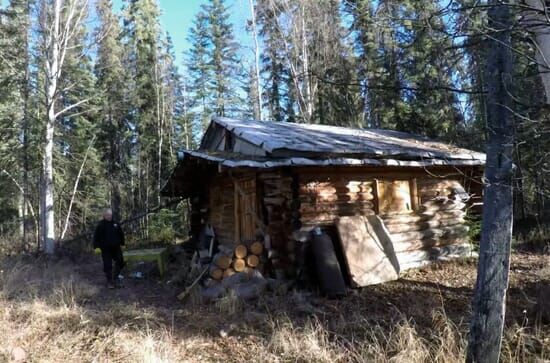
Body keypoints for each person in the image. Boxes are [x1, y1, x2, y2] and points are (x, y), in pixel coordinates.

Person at [93, 208, 125, 288]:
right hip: (105, 249)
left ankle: (116, 277)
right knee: (108, 265)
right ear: (104, 215)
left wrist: (123, 243)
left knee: (120, 261)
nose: (109, 216)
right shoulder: (100, 225)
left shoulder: (116, 224)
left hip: (116, 247)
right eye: (107, 215)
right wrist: (96, 247)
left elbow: (121, 234)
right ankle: (109, 281)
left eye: (110, 214)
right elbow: (96, 237)